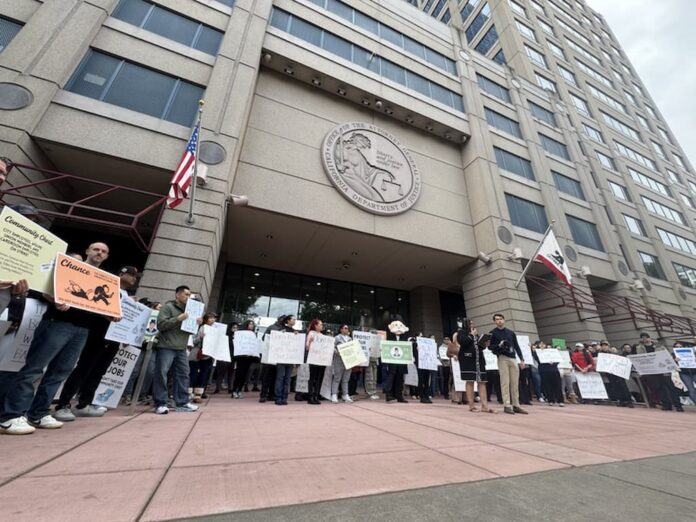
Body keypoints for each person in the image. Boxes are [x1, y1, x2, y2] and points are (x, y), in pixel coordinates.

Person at [0, 242, 111, 435]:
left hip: (83, 329)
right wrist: (56, 299)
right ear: (87, 250)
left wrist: (111, 314)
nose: (99, 253)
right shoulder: (66, 266)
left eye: (104, 251)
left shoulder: (104, 280)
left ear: (107, 256)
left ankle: (39, 413)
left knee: (60, 372)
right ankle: (10, 415)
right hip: (57, 323)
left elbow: (102, 304)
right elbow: (45, 291)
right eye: (96, 249)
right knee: (34, 368)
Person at [54, 265, 140, 421]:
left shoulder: (128, 297)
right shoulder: (104, 289)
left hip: (114, 337)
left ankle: (84, 403)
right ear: (121, 273)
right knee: (84, 367)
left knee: (100, 370)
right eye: (132, 274)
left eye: (136, 276)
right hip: (98, 333)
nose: (135, 278)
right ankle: (63, 404)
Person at [152, 285, 199, 415]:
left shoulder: (191, 311)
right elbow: (161, 325)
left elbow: (190, 331)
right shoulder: (168, 307)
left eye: (190, 295)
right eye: (186, 294)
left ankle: (182, 402)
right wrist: (178, 319)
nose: (188, 297)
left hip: (181, 348)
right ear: (177, 295)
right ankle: (160, 403)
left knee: (183, 375)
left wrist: (196, 322)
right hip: (166, 346)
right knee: (162, 374)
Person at [489, 313, 527, 415]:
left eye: (501, 319)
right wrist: (499, 345)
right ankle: (507, 404)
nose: (499, 321)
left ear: (504, 320)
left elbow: (517, 346)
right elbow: (490, 347)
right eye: (497, 319)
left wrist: (522, 359)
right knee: (505, 382)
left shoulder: (510, 332)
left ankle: (516, 404)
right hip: (502, 357)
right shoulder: (493, 333)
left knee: (515, 382)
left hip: (513, 358)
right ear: (494, 321)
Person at [634, 333, 682, 411]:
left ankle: (678, 405)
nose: (645, 339)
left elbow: (667, 356)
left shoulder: (659, 346)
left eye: (646, 337)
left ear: (650, 338)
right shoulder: (639, 348)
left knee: (671, 387)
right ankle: (666, 404)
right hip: (653, 371)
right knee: (659, 388)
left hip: (663, 369)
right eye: (643, 338)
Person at [456, 319, 495, 413]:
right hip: (467, 360)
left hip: (479, 360)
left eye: (473, 323)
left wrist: (484, 344)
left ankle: (485, 406)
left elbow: (478, 346)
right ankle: (471, 406)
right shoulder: (461, 332)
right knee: (470, 381)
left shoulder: (476, 334)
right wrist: (471, 335)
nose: (473, 325)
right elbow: (463, 342)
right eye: (470, 323)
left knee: (482, 382)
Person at [189, 312, 217, 403]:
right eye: (210, 318)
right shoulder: (198, 327)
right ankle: (188, 393)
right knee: (192, 374)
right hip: (196, 354)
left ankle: (198, 394)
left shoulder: (215, 330)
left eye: (214, 318)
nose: (213, 320)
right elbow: (192, 341)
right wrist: (200, 338)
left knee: (203, 375)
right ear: (205, 319)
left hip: (207, 356)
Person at [259, 315, 288, 403]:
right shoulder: (271, 327)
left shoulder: (286, 328)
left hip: (279, 357)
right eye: (283, 319)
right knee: (267, 377)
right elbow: (264, 338)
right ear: (279, 319)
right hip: (269, 356)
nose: (283, 321)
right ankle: (263, 395)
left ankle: (271, 395)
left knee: (276, 377)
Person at [273, 314, 297, 406]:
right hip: (281, 358)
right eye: (293, 319)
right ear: (288, 320)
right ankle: (278, 397)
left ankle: (284, 397)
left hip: (290, 359)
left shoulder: (294, 332)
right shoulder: (281, 330)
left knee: (287, 379)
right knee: (280, 378)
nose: (294, 321)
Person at [384, 320, 409, 403]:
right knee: (391, 377)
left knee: (400, 378)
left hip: (401, 362)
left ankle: (399, 395)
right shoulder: (389, 336)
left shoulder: (404, 337)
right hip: (392, 361)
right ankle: (389, 394)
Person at [231, 320, 256, 399]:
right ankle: (234, 390)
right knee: (239, 374)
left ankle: (239, 390)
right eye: (250, 324)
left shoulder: (253, 334)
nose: (251, 326)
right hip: (241, 357)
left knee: (245, 375)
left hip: (248, 357)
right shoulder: (240, 333)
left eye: (252, 324)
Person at [534, 341, 564, 407]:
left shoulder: (553, 351)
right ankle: (551, 400)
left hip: (554, 370)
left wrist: (554, 362)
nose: (542, 345)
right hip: (544, 370)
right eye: (540, 344)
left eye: (543, 344)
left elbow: (558, 359)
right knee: (547, 386)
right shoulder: (538, 352)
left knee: (557, 385)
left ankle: (560, 401)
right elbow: (537, 359)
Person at [304, 319, 326, 405]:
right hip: (313, 359)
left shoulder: (321, 335)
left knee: (318, 379)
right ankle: (310, 396)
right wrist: (310, 342)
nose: (321, 326)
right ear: (315, 325)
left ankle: (316, 395)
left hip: (320, 360)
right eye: (320, 324)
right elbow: (307, 346)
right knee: (312, 378)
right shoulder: (311, 333)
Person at [331, 324, 353, 403]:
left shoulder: (350, 339)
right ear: (341, 329)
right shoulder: (337, 338)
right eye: (345, 328)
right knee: (337, 378)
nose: (347, 330)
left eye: (347, 328)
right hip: (339, 360)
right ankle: (334, 394)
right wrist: (337, 352)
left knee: (346, 379)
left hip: (348, 361)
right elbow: (332, 347)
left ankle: (345, 394)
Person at [214, 322, 236, 394]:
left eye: (236, 328)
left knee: (231, 373)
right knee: (221, 373)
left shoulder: (237, 337)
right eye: (234, 328)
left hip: (233, 357)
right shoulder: (225, 336)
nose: (235, 330)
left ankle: (230, 388)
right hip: (224, 357)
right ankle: (218, 388)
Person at [438, 336, 451, 401]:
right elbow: (440, 357)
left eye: (448, 339)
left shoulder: (451, 346)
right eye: (445, 339)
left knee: (451, 381)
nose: (446, 340)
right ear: (443, 340)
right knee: (446, 380)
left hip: (452, 365)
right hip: (445, 365)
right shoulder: (441, 348)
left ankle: (451, 393)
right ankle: (446, 394)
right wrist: (443, 363)